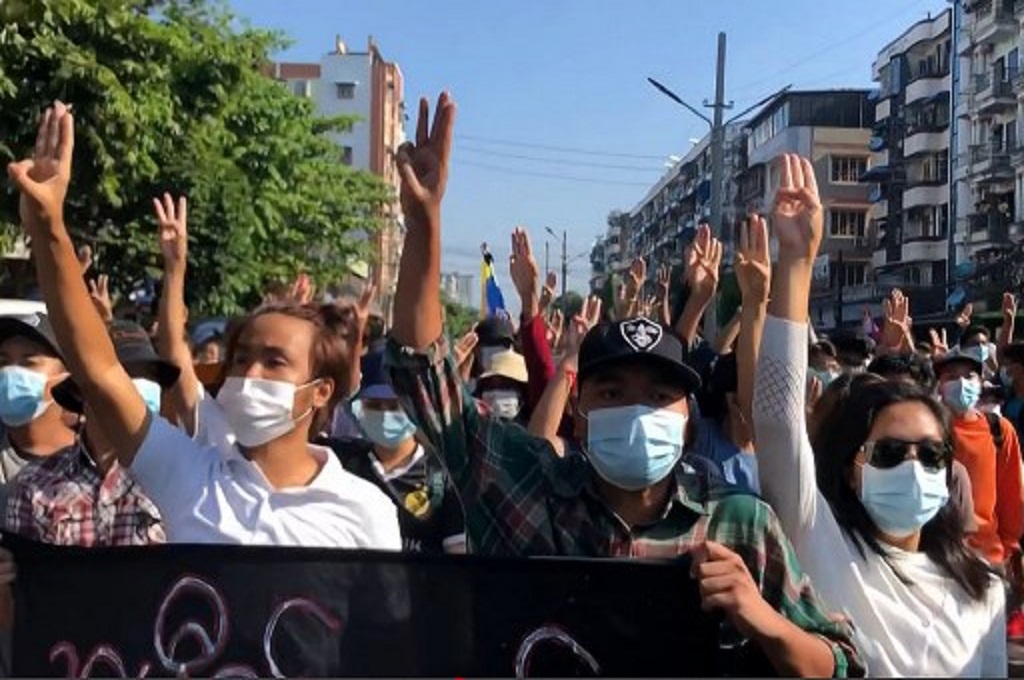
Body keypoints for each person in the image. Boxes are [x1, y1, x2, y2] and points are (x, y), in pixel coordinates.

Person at [384, 92, 861, 677]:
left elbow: (838, 664)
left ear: (688, 417)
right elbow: (421, 373)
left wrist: (760, 614)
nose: (638, 411)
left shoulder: (740, 523)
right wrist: (424, 226)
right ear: (578, 410)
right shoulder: (521, 485)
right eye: (613, 393)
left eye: (659, 396)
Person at [7, 101, 400, 549]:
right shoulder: (188, 475)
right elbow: (99, 370)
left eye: (275, 362)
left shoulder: (367, 512)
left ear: (321, 390)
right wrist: (48, 227)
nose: (250, 375)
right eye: (242, 359)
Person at [751, 153, 1005, 676]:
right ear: (852, 464)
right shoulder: (818, 538)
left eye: (932, 455)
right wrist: (795, 263)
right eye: (891, 452)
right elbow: (777, 419)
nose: (914, 467)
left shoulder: (983, 589)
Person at [5, 320, 171, 546]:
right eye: (123, 374)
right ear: (82, 389)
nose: (135, 388)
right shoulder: (34, 486)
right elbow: (23, 576)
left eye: (149, 376)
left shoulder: (181, 478)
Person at [320, 349, 466, 555]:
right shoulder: (338, 460)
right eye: (374, 404)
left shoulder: (439, 478)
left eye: (394, 404)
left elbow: (458, 563)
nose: (385, 413)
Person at [935, 350, 1023, 569]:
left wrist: (1010, 549)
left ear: (981, 383)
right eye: (951, 376)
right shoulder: (927, 432)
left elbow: (1012, 495)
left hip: (990, 557)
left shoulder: (999, 430)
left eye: (970, 376)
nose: (961, 382)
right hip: (938, 557)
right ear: (939, 385)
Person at [0, 313, 76, 514]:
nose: (9, 372)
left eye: (28, 363)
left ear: (65, 377)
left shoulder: (93, 463)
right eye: (2, 361)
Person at [473, 347, 529, 422]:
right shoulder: (472, 421)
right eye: (491, 386)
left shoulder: (533, 423)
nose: (497, 392)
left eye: (507, 386)